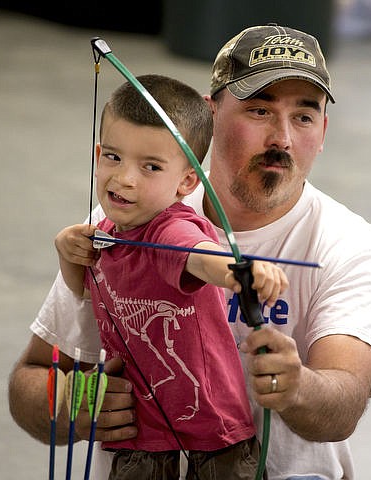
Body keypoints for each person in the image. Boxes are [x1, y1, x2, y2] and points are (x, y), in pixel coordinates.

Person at [9, 24, 371, 480]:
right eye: (259, 110)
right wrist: (70, 402)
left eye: (304, 117)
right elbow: (30, 380)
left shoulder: (353, 248)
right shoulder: (125, 220)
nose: (283, 138)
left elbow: (345, 401)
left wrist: (297, 386)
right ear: (210, 117)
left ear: (323, 130)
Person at [54, 74, 287, 479]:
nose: (124, 178)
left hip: (215, 431)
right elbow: (86, 299)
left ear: (186, 182)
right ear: (97, 153)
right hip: (139, 429)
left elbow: (197, 255)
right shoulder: (104, 235)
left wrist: (236, 270)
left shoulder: (168, 229)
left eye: (151, 167)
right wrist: (67, 253)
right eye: (112, 157)